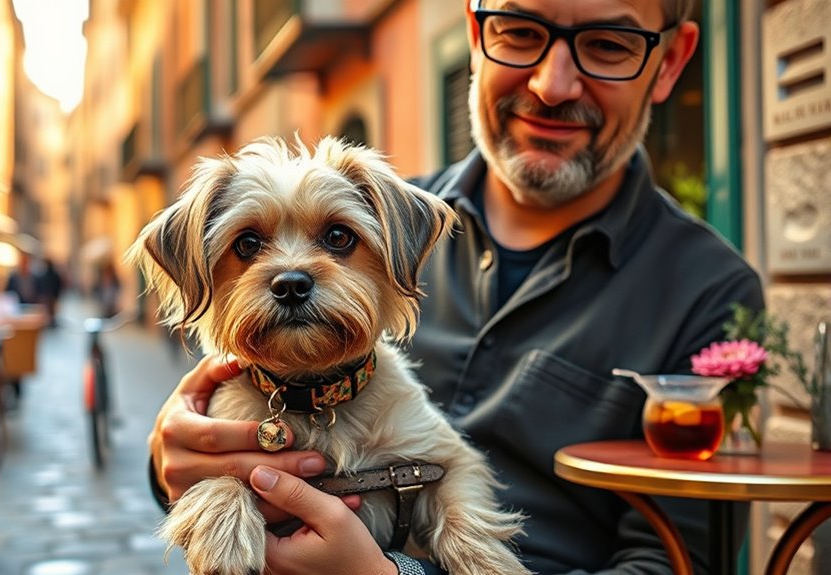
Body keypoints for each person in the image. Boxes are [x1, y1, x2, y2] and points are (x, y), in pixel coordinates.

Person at [146, 1, 765, 573]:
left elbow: (676, 563)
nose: (553, 85)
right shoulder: (383, 216)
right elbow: (194, 476)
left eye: (608, 43)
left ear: (671, 62)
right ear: (476, 35)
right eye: (520, 32)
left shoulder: (710, 294)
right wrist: (173, 461)